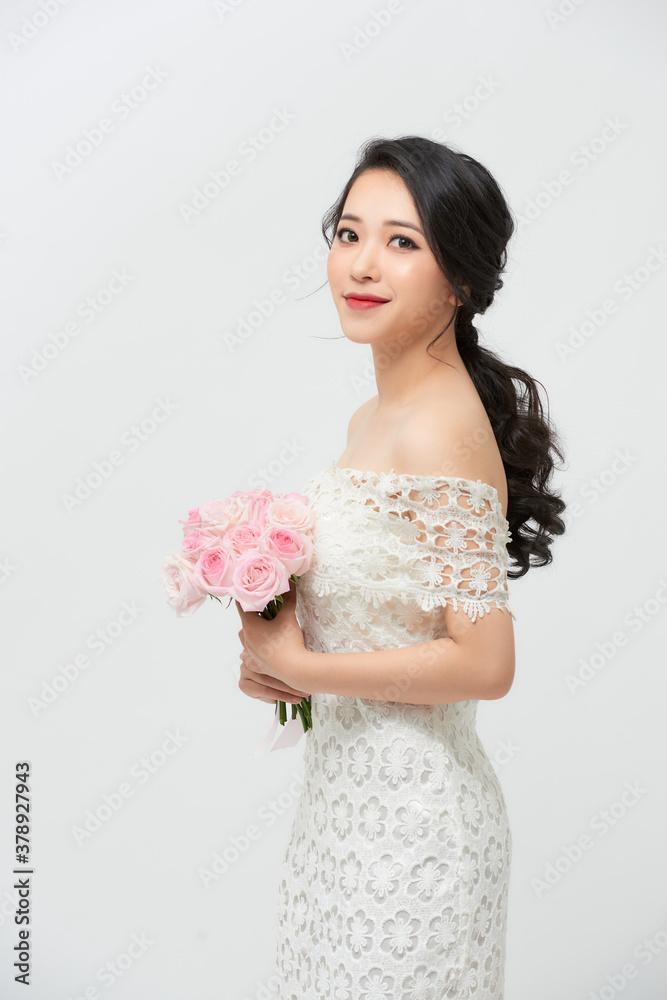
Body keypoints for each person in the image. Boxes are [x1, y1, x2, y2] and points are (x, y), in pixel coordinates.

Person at [235, 135, 567, 999]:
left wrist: (302, 664)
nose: (362, 265)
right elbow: (391, 612)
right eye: (349, 234)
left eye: (402, 242)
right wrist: (281, 664)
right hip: (342, 812)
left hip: (414, 833)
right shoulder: (374, 415)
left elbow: (484, 663)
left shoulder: (437, 426)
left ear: (458, 278)